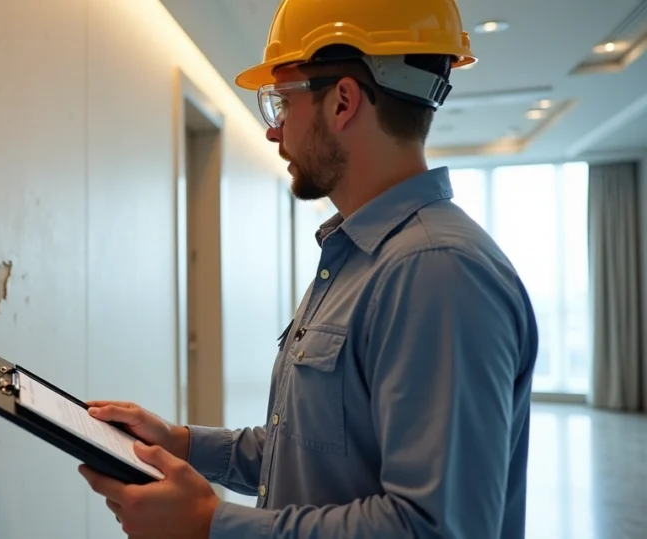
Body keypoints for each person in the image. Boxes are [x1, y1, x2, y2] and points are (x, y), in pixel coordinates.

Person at [77, 0, 539, 537]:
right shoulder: (360, 257)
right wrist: (180, 443)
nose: (273, 132)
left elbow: (433, 527)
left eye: (279, 103)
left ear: (342, 101)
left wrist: (209, 524)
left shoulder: (435, 272)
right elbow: (313, 450)